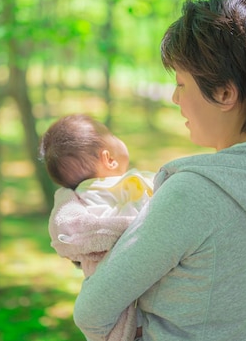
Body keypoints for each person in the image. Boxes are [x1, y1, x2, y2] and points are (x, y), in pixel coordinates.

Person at [71, 0, 246, 341]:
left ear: (225, 93)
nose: (174, 97)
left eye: (182, 83)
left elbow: (92, 312)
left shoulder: (194, 195)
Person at [40, 113, 154, 341]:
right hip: (138, 291)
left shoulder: (80, 199)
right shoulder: (128, 187)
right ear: (109, 159)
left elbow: (75, 230)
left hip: (109, 299)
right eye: (111, 134)